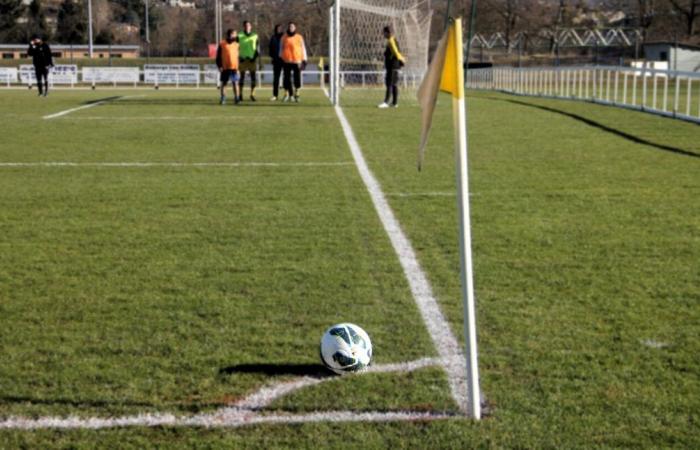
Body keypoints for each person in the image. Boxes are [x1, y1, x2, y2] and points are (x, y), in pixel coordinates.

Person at [378, 26, 405, 109]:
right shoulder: (394, 39)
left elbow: (396, 52)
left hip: (392, 66)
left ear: (387, 33)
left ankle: (386, 102)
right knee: (394, 84)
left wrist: (402, 60)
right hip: (395, 66)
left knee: (389, 84)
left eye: (384, 33)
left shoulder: (391, 41)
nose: (383, 34)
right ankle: (394, 103)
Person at [280, 22, 307, 103]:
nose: (291, 28)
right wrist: (280, 58)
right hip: (286, 61)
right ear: (288, 27)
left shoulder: (299, 37)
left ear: (295, 28)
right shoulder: (284, 37)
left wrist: (304, 60)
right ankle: (286, 94)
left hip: (297, 61)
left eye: (293, 26)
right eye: (290, 26)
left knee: (297, 79)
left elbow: (303, 49)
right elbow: (281, 48)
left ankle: (297, 94)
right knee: (286, 79)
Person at [216, 29, 241, 105]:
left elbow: (238, 57)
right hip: (225, 67)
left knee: (235, 83)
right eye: (234, 34)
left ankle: (237, 98)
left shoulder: (237, 44)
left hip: (234, 68)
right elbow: (218, 57)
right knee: (224, 83)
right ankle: (223, 98)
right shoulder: (222, 44)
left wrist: (238, 68)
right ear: (229, 35)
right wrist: (219, 66)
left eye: (236, 34)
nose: (235, 36)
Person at [238, 20, 259, 102]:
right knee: (241, 78)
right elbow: (236, 48)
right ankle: (240, 94)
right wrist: (239, 57)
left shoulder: (255, 36)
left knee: (253, 78)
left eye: (249, 25)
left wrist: (255, 57)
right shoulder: (239, 35)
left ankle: (252, 94)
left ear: (251, 27)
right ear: (243, 26)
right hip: (242, 59)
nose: (247, 27)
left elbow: (258, 49)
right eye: (246, 25)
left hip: (251, 60)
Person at [268, 24, 284, 101]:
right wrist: (273, 57)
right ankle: (275, 95)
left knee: (286, 78)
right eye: (277, 28)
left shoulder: (284, 37)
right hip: (276, 61)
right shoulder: (273, 38)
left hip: (284, 60)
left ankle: (287, 94)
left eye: (280, 28)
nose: (279, 30)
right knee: (276, 79)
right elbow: (270, 49)